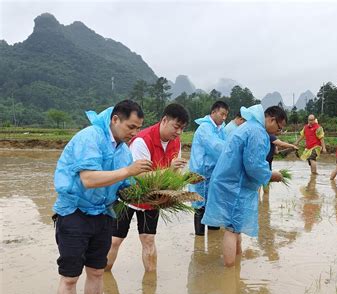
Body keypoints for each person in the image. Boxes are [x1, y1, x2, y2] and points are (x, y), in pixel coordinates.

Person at [53, 100, 153, 294]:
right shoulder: (90, 137)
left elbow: (125, 189)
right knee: (70, 277)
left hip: (103, 214)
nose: (135, 133)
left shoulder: (123, 151)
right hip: (74, 213)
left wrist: (154, 196)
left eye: (138, 128)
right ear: (115, 119)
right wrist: (128, 171)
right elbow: (88, 179)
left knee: (97, 272)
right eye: (131, 127)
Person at [106, 103, 190, 272]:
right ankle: (102, 275)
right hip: (128, 196)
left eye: (182, 129)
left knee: (148, 239)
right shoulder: (142, 141)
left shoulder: (176, 142)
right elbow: (139, 176)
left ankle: (150, 286)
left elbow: (175, 174)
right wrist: (170, 170)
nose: (178, 132)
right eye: (176, 127)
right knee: (115, 240)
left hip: (153, 199)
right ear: (164, 120)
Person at [201, 104, 285, 267]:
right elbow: (253, 165)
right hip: (234, 186)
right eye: (279, 128)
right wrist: (270, 175)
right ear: (271, 119)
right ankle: (230, 273)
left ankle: (235, 266)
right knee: (232, 229)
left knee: (235, 227)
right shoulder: (257, 132)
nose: (278, 132)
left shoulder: (250, 126)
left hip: (230, 183)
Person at [189, 101, 229, 235]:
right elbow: (217, 147)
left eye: (226, 115)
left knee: (214, 205)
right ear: (213, 112)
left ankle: (213, 243)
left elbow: (227, 142)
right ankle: (199, 241)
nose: (224, 118)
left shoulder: (220, 128)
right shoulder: (205, 128)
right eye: (222, 114)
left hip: (214, 173)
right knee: (200, 205)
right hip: (201, 172)